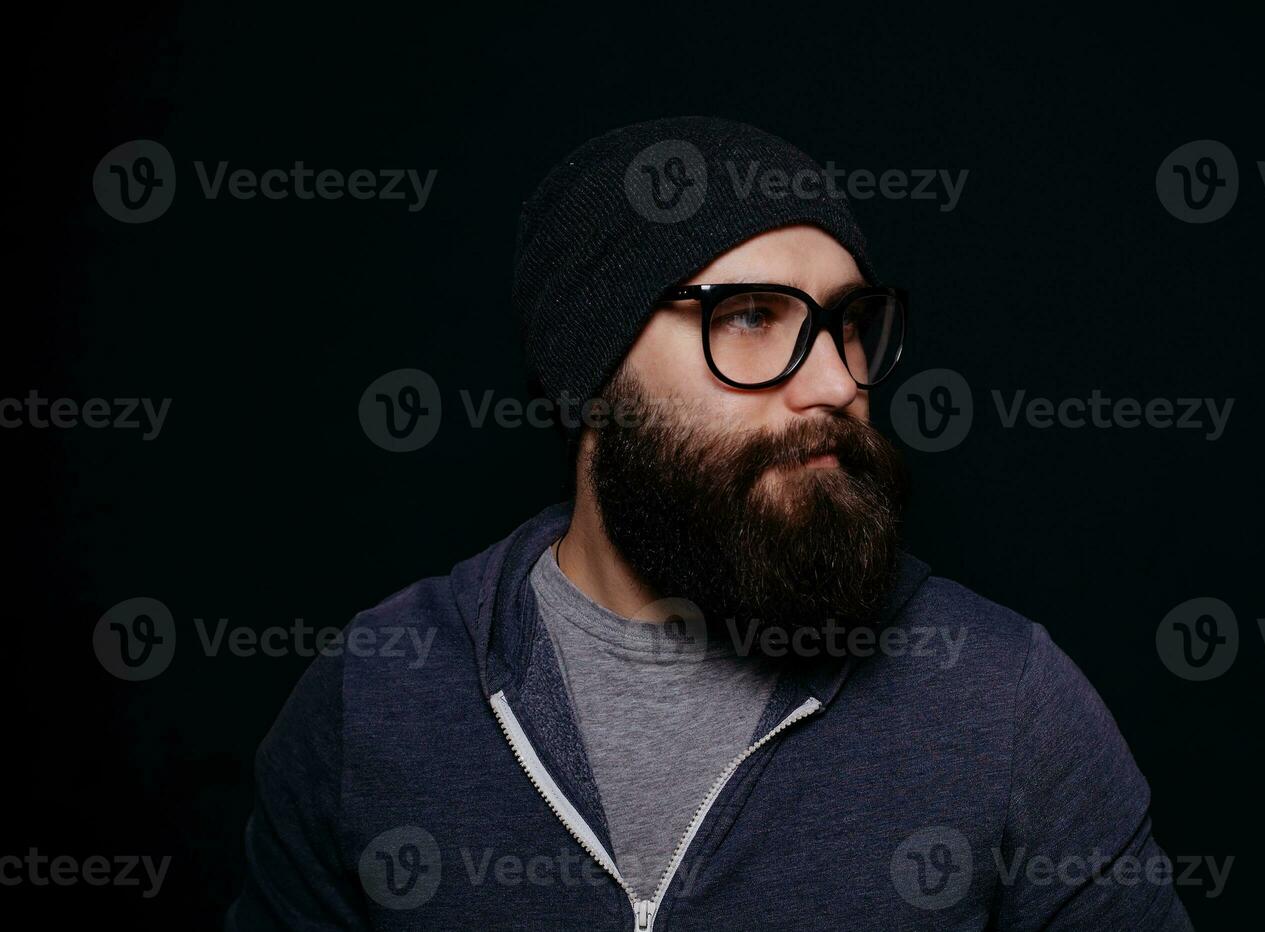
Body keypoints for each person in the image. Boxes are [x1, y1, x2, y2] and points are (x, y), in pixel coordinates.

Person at [226, 116, 1192, 931]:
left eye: (850, 323)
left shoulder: (1004, 700)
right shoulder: (381, 696)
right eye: (750, 317)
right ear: (591, 379)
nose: (837, 381)